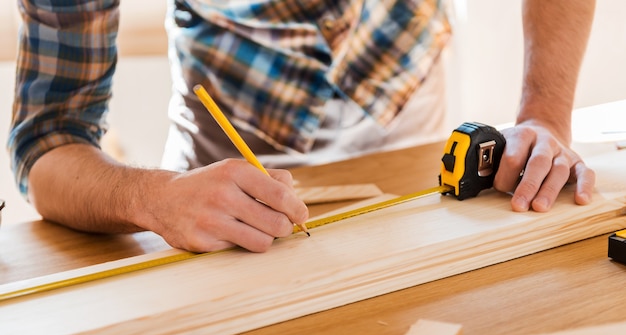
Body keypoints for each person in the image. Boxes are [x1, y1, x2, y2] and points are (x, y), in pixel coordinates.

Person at [8, 0, 596, 253]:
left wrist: (544, 112)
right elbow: (48, 141)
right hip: (216, 173)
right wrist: (152, 197)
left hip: (408, 132)